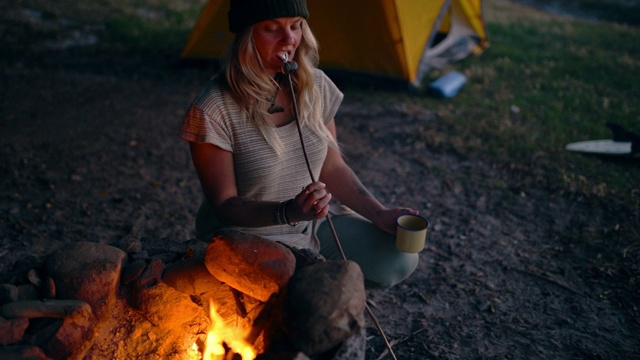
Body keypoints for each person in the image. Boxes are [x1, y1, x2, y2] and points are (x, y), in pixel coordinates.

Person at [180, 0, 420, 289]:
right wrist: (289, 211)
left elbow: (331, 166)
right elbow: (225, 206)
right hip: (246, 236)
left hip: (312, 224)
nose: (289, 39)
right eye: (272, 29)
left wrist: (379, 213)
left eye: (296, 26)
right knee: (294, 297)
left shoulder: (315, 86)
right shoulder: (213, 108)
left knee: (398, 259)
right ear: (245, 36)